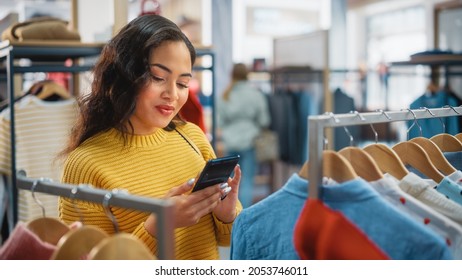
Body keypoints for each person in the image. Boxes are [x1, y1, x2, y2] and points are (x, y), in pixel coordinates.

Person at [57, 14, 242, 260]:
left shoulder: (192, 137)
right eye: (158, 78)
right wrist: (158, 226)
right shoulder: (85, 164)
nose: (172, 95)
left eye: (183, 83)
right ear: (124, 75)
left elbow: (227, 238)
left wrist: (227, 215)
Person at [217, 63, 270, 208]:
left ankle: (231, 212)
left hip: (230, 141)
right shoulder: (256, 94)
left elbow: (220, 121)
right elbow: (264, 120)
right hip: (250, 141)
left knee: (230, 180)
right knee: (246, 181)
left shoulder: (225, 95)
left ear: (232, 75)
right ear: (247, 75)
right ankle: (243, 213)